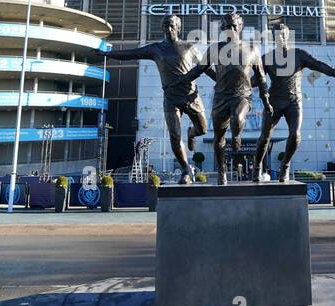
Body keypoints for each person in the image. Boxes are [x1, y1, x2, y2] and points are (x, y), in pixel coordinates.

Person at [107, 14, 213, 184]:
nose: (168, 29)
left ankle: (192, 133)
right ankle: (185, 169)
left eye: (171, 25)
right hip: (171, 98)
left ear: (178, 28)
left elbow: (206, 68)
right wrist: (108, 53)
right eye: (165, 26)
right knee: (174, 135)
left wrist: (223, 81)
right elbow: (131, 53)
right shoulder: (156, 49)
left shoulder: (190, 47)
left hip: (191, 96)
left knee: (202, 130)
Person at [253, 20, 335, 182]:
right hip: (274, 102)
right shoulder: (266, 58)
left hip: (294, 101)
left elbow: (318, 65)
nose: (280, 37)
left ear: (288, 35)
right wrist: (238, 83)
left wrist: (334, 72)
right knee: (264, 138)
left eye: (283, 34)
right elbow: (255, 80)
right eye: (276, 35)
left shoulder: (299, 54)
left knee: (295, 134)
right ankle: (257, 166)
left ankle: (285, 166)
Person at [207, 11, 270, 185]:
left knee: (237, 117)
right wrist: (185, 79)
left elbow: (262, 77)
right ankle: (222, 172)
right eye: (227, 26)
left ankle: (236, 135)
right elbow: (200, 68)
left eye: (234, 26)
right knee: (218, 137)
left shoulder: (251, 48)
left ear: (240, 27)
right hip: (220, 97)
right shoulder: (215, 48)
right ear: (222, 28)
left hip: (242, 95)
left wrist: (266, 101)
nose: (231, 29)